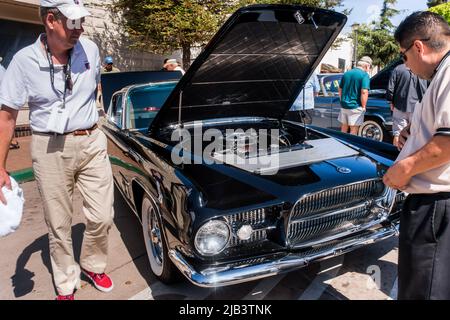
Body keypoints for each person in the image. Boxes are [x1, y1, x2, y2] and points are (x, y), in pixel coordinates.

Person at [0, 0, 115, 300]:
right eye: (73, 22)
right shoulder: (23, 61)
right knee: (59, 222)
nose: (81, 28)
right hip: (49, 147)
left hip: (91, 139)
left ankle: (92, 264)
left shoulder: (90, 49)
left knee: (103, 215)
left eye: (81, 21)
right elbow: (7, 118)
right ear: (51, 20)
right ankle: (66, 282)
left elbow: (95, 90)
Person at [383, 11, 450, 300]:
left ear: (418, 47)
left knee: (425, 290)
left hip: (435, 207)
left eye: (404, 56)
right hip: (434, 206)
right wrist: (414, 128)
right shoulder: (441, 74)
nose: (406, 65)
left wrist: (403, 169)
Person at [387, 62, 428, 147]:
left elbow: (390, 88)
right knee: (415, 134)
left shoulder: (398, 69)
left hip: (400, 106)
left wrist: (391, 101)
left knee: (397, 134)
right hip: (417, 107)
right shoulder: (423, 69)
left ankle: (396, 154)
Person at [338, 56, 372, 135]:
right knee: (353, 130)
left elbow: (340, 89)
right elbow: (364, 92)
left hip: (344, 106)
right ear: (367, 66)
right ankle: (349, 147)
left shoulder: (346, 73)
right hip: (355, 106)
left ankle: (341, 146)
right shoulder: (364, 75)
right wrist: (363, 106)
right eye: (369, 67)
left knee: (344, 128)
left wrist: (342, 100)